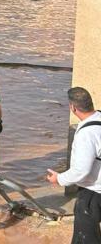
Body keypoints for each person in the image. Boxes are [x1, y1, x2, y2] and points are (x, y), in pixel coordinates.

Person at [47, 87, 101, 244]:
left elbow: (81, 171)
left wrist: (59, 178)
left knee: (85, 237)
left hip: (93, 193)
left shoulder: (86, 133)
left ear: (73, 107)